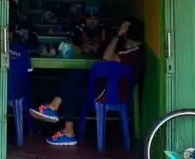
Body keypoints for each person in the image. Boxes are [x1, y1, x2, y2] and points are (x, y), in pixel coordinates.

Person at [29, 17, 146, 146]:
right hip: (105, 86)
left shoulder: (134, 53)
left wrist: (118, 35)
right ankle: (53, 106)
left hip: (109, 93)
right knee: (73, 75)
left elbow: (107, 57)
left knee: (71, 91)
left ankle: (68, 133)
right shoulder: (131, 49)